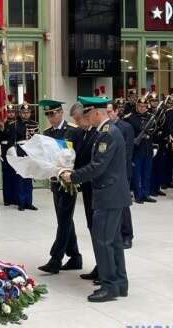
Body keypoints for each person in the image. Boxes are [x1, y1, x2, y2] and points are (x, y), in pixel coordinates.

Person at [60, 96, 130, 303]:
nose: (85, 118)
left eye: (88, 115)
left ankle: (109, 287)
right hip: (112, 194)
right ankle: (120, 283)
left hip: (108, 195)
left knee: (104, 242)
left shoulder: (107, 134)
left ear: (97, 114)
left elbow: (98, 166)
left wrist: (72, 176)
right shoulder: (105, 132)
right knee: (114, 242)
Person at [38, 100, 84, 274]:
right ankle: (75, 257)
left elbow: (79, 156)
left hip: (69, 182)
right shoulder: (47, 133)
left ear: (61, 113)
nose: (50, 117)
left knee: (64, 219)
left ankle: (55, 258)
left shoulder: (74, 131)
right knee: (64, 219)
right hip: (55, 181)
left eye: (53, 113)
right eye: (47, 114)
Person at [70, 102, 99, 280]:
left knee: (99, 230)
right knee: (92, 227)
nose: (78, 123)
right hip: (87, 188)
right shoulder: (82, 133)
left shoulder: (98, 134)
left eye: (79, 119)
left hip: (96, 187)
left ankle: (104, 267)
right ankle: (100, 265)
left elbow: (94, 164)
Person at [108, 102, 135, 249]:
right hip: (108, 173)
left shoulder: (126, 127)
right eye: (106, 112)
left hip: (122, 172)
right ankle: (115, 233)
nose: (108, 114)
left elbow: (128, 152)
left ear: (117, 111)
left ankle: (127, 235)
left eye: (110, 111)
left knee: (124, 204)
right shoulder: (104, 128)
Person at [126, 92, 156, 204]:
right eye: (140, 106)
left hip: (147, 149)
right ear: (136, 106)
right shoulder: (130, 117)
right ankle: (138, 195)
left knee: (147, 174)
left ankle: (146, 194)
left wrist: (154, 147)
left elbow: (153, 132)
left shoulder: (150, 117)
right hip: (137, 150)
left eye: (144, 107)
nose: (142, 108)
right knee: (137, 174)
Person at [13, 96, 39, 211]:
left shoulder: (34, 123)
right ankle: (21, 203)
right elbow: (13, 140)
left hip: (31, 153)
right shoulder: (15, 124)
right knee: (20, 179)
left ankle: (29, 202)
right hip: (20, 151)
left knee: (29, 178)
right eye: (23, 112)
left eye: (27, 112)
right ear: (20, 113)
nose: (25, 114)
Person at [0, 95, 18, 207]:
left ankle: (15, 197)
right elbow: (0, 139)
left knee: (15, 176)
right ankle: (7, 199)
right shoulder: (3, 124)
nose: (11, 113)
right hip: (5, 152)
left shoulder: (17, 124)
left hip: (16, 152)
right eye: (9, 112)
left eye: (12, 112)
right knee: (6, 176)